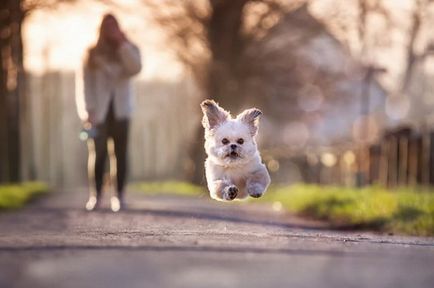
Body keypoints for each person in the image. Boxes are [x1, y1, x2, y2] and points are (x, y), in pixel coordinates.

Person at [77, 14, 142, 212]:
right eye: (108, 27)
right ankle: (95, 195)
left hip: (122, 111)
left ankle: (119, 195)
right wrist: (88, 111)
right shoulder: (91, 53)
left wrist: (122, 44)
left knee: (121, 155)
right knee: (98, 155)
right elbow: (84, 85)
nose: (111, 30)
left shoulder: (130, 49)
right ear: (101, 29)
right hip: (99, 113)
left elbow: (135, 68)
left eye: (115, 27)